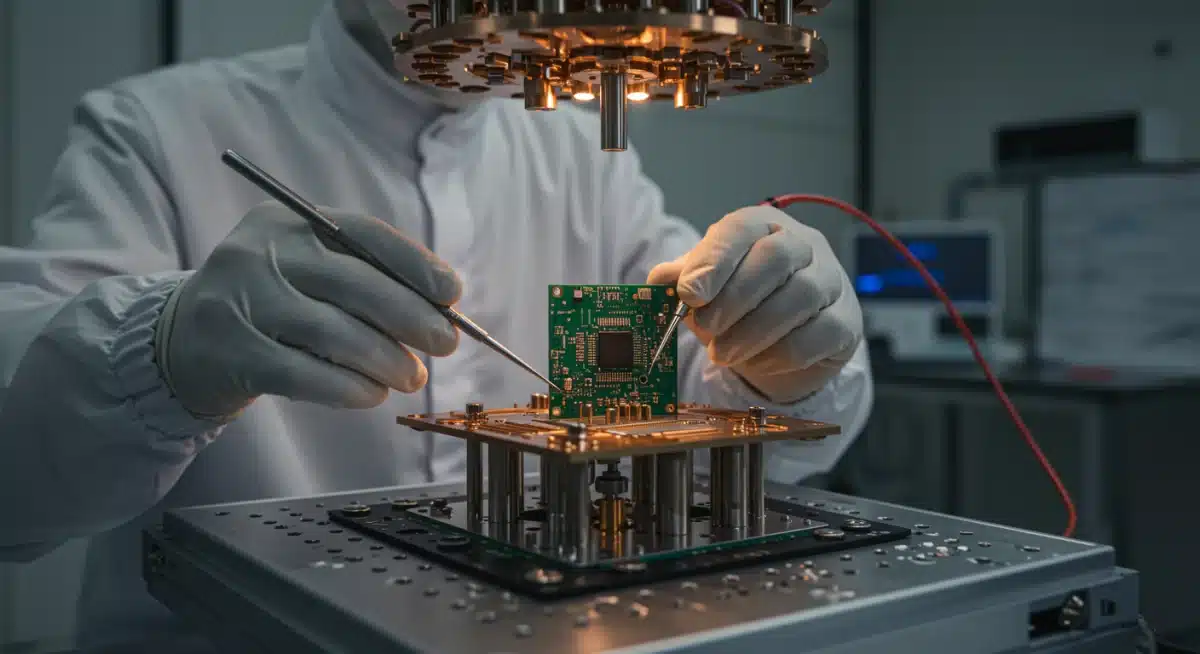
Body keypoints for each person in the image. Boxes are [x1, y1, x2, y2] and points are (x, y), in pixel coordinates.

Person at [0, 1, 871, 651]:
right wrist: (157, 352)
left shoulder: (583, 157)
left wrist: (776, 351)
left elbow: (705, 389)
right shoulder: (154, 132)